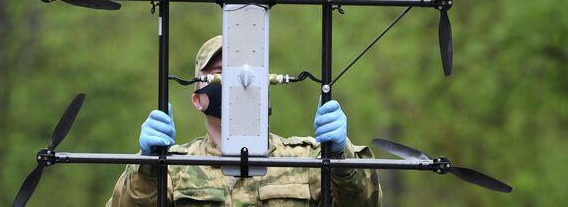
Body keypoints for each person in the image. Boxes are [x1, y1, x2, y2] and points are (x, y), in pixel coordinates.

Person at [106, 35, 382, 206]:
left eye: (241, 71)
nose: (235, 80)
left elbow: (363, 204)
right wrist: (147, 166)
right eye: (218, 73)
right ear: (197, 98)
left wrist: (341, 158)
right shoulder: (174, 168)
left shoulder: (307, 160)